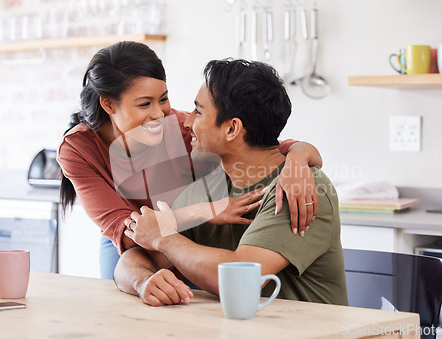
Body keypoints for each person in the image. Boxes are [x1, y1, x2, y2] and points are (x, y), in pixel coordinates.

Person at [57, 41, 324, 279]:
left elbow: (255, 143)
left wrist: (297, 158)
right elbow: (128, 233)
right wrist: (203, 211)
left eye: (163, 99)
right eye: (143, 104)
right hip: (134, 238)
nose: (159, 114)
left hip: (187, 234)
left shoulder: (183, 129)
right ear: (109, 105)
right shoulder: (78, 149)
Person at [114, 59, 348, 307]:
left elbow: (241, 279)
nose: (187, 121)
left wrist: (164, 238)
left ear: (232, 129)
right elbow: (130, 263)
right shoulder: (204, 189)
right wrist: (143, 281)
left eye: (199, 111)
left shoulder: (301, 189)